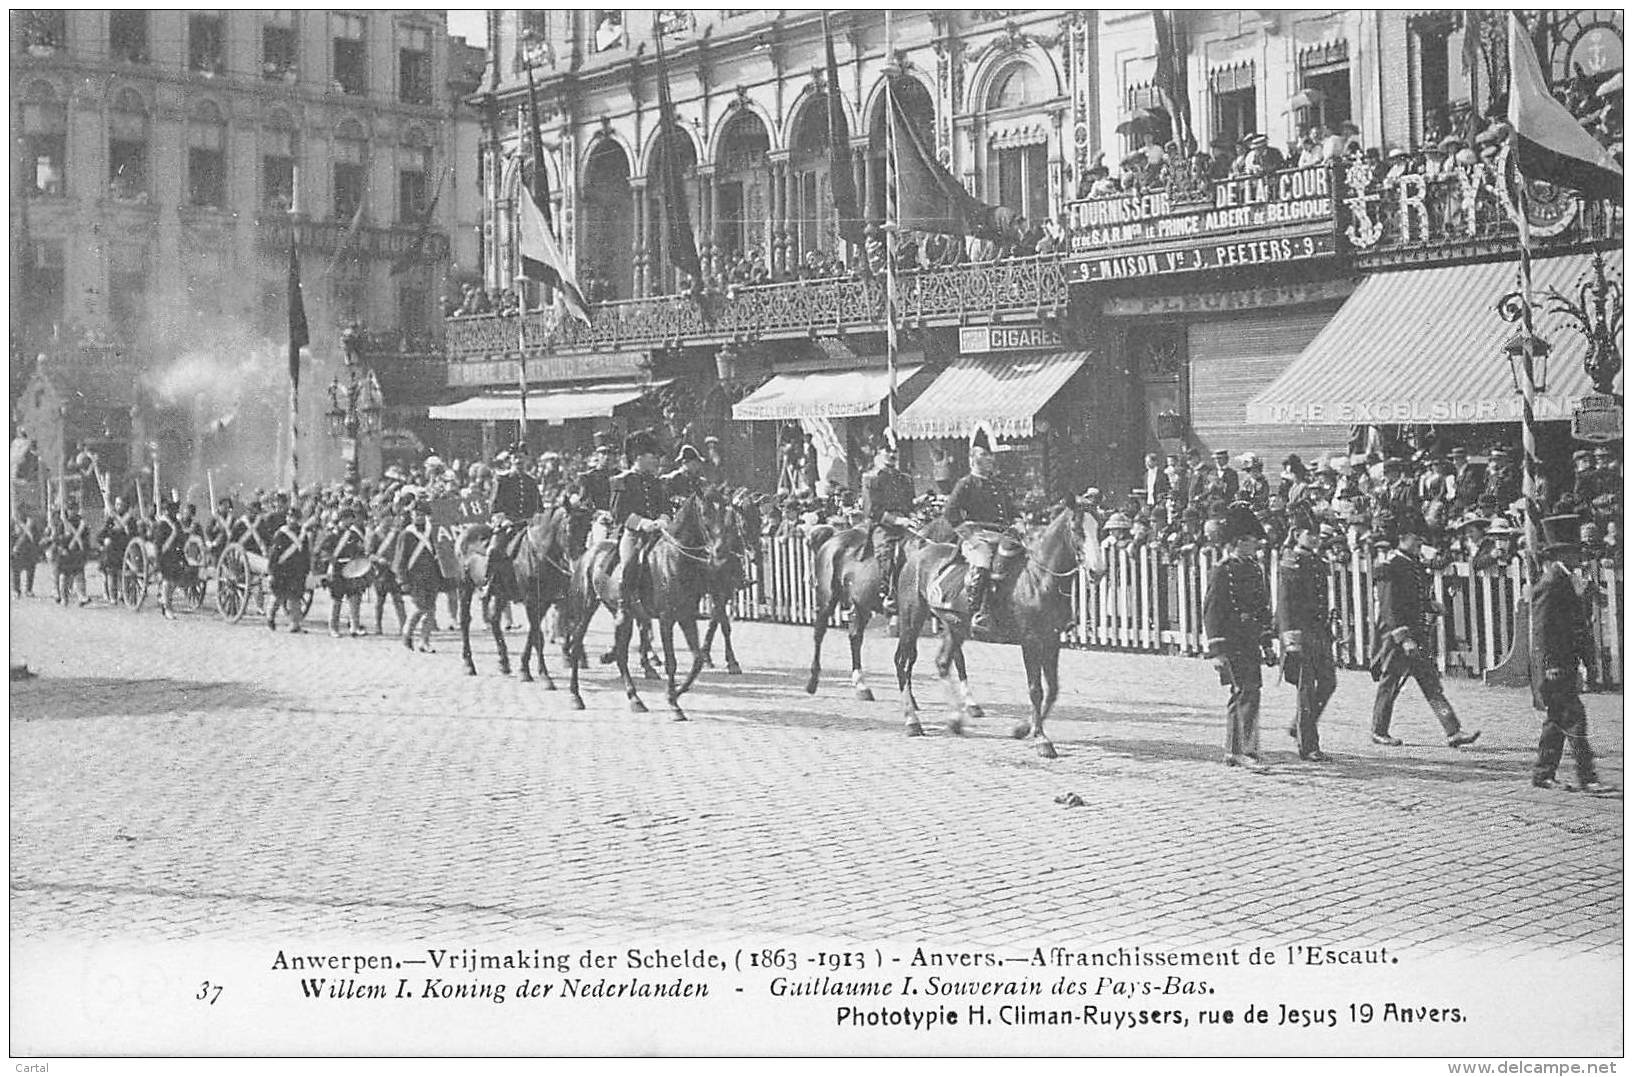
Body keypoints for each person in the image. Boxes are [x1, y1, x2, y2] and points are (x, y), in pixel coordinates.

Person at [1369, 522, 1481, 748]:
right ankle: (1378, 730)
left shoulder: (1412, 563)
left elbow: (1413, 599)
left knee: (1431, 683)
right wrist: (1403, 638)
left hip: (1417, 635)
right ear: (1401, 537)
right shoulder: (1389, 565)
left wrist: (1431, 606)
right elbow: (1389, 607)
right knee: (1390, 683)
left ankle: (1453, 730)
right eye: (1415, 536)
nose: (1420, 541)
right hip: (1397, 638)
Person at [1529, 514, 1613, 793]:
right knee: (1574, 717)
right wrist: (1551, 664)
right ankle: (1587, 777)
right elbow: (1542, 630)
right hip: (1555, 665)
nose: (1581, 556)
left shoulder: (1567, 580)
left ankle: (1543, 773)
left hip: (1566, 661)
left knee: (1556, 720)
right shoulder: (1550, 583)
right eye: (1576, 551)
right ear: (1562, 554)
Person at [1203, 503, 1277, 770]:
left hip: (1250, 640)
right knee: (1245, 692)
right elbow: (1212, 611)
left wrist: (1267, 643)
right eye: (1249, 540)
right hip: (1231, 640)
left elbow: (1261, 608)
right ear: (1237, 542)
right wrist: (1217, 650)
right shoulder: (1222, 570)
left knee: (1247, 692)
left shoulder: (1255, 569)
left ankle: (1236, 750)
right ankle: (1244, 750)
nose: (1255, 544)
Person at [943, 432, 1021, 635]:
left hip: (1003, 536)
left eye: (991, 455)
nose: (990, 459)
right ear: (973, 459)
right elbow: (950, 512)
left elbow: (1012, 511)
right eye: (985, 455)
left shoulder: (998, 484)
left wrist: (1019, 521)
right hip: (978, 537)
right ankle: (976, 611)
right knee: (984, 560)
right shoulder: (966, 483)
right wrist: (969, 536)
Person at [1277, 510, 1336, 762]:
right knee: (1306, 689)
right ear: (1296, 534)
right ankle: (1308, 745)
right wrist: (1290, 637)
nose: (1314, 538)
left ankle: (1299, 724)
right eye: (1308, 534)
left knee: (1328, 683)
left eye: (1316, 534)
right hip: (1301, 633)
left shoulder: (1317, 562)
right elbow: (1285, 603)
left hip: (1320, 632)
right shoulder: (1291, 563)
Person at [608, 428, 671, 613]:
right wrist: (643, 523)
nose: (657, 460)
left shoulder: (657, 482)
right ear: (638, 457)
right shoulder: (622, 481)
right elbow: (618, 513)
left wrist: (663, 519)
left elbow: (666, 507)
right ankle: (624, 604)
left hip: (659, 534)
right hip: (634, 535)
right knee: (630, 564)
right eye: (653, 455)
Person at [860, 433, 916, 614]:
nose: (892, 455)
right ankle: (886, 594)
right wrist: (897, 520)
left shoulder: (904, 478)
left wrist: (917, 510)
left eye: (895, 451)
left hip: (906, 524)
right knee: (888, 554)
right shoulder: (871, 477)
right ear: (879, 452)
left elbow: (909, 503)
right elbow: (872, 511)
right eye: (888, 451)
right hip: (883, 526)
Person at [483, 445, 542, 603]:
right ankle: (488, 583)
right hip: (508, 524)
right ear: (510, 460)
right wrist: (504, 520)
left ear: (526, 459)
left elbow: (539, 507)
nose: (519, 460)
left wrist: (535, 518)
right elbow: (494, 506)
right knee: (494, 550)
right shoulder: (502, 479)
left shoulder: (531, 481)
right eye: (515, 457)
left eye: (522, 456)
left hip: (528, 526)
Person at [394, 496, 443, 652]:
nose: (419, 517)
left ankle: (424, 641)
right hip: (415, 577)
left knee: (431, 610)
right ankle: (407, 633)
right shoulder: (406, 534)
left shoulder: (432, 532)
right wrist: (402, 580)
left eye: (422, 514)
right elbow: (400, 559)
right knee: (419, 608)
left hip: (432, 576)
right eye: (416, 514)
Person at [266, 504, 310, 633]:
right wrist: (271, 573)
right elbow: (273, 555)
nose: (293, 520)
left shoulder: (303, 534)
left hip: (296, 571)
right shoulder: (281, 534)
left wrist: (307, 570)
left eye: (296, 518)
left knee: (295, 597)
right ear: (287, 518)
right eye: (290, 517)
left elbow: (306, 553)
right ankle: (270, 616)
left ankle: (295, 624)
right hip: (281, 570)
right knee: (278, 596)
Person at [327, 504, 369, 637]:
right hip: (338, 568)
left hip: (352, 569)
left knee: (354, 598)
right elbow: (326, 552)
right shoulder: (332, 535)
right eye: (347, 519)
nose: (349, 521)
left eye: (351, 518)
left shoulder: (354, 534)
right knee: (337, 600)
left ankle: (354, 626)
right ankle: (333, 628)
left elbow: (360, 550)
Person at [151, 498, 188, 620]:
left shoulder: (176, 523)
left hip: (175, 555)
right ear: (167, 511)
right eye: (172, 510)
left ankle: (165, 600)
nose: (174, 512)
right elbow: (158, 544)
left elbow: (182, 538)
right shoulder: (162, 524)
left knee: (175, 581)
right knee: (168, 581)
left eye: (175, 510)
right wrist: (157, 561)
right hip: (164, 556)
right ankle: (167, 607)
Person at [11, 511, 42, 597]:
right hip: (17, 553)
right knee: (15, 572)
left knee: (30, 571)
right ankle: (16, 590)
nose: (21, 515)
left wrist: (36, 550)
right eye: (19, 513)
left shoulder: (31, 525)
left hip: (29, 552)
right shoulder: (12, 524)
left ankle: (28, 590)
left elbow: (36, 537)